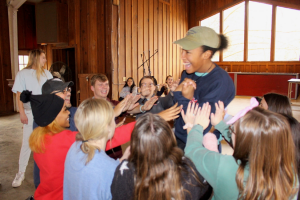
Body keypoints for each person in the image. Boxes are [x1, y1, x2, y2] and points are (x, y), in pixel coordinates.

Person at [21, 90, 136, 200]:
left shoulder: (38, 138)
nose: (68, 113)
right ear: (53, 117)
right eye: (65, 110)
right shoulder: (63, 140)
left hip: (43, 195)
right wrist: (143, 124)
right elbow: (101, 138)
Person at [182, 100, 299, 200]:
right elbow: (248, 143)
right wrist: (220, 124)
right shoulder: (290, 173)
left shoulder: (226, 167)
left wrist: (196, 126)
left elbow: (192, 151)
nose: (230, 130)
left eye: (232, 129)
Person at [111, 113, 211, 200]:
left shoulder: (124, 173)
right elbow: (206, 188)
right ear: (170, 139)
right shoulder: (190, 172)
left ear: (134, 144)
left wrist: (123, 161)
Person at [172, 26, 235, 150]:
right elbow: (176, 108)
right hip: (180, 139)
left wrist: (180, 95)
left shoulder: (220, 82)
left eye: (188, 52)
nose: (182, 56)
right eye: (182, 51)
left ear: (206, 54)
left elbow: (201, 124)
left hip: (202, 147)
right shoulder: (187, 73)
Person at [64, 98, 131, 200]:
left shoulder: (75, 147)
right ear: (107, 127)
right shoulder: (112, 171)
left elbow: (97, 170)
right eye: (113, 119)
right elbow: (105, 171)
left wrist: (120, 163)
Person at [11, 49, 52, 187]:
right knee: (27, 143)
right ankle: (20, 173)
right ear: (35, 58)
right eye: (43, 57)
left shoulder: (47, 74)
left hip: (45, 112)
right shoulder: (23, 74)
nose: (45, 60)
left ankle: (48, 172)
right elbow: (19, 95)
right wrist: (21, 112)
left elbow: (53, 93)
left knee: (47, 142)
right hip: (30, 113)